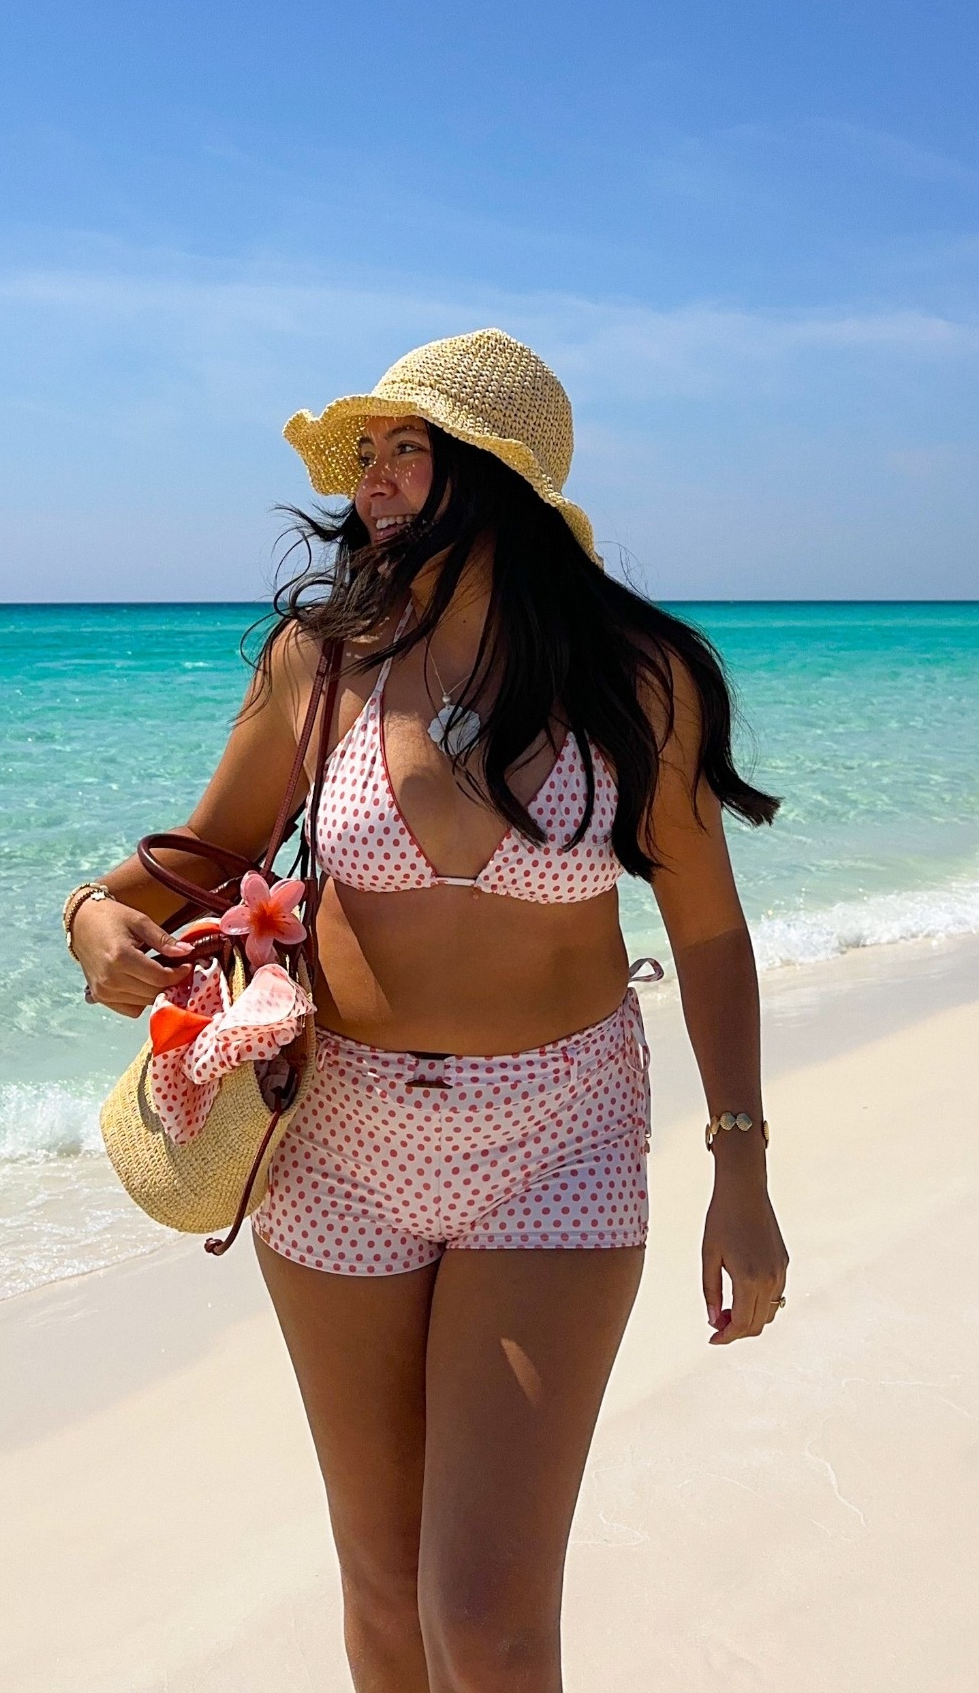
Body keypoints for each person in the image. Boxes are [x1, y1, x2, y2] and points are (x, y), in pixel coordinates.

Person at [66, 329, 788, 1693]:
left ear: (496, 476)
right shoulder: (321, 663)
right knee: (388, 1597)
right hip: (333, 1142)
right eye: (369, 456)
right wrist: (91, 916)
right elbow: (202, 849)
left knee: (492, 1622)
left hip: (556, 1143)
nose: (376, 482)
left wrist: (740, 1166)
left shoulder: (638, 676)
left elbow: (708, 930)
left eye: (409, 449)